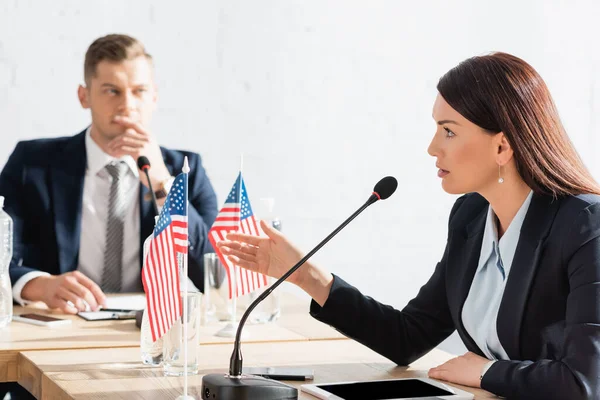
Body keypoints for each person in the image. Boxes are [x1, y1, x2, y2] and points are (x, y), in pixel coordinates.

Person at [217, 52, 600, 399]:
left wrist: (487, 372)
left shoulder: (585, 227)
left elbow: (585, 381)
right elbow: (409, 337)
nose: (433, 147)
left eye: (448, 130)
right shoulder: (470, 217)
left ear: (501, 147)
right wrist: (307, 277)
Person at [0, 34, 218, 313]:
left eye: (139, 91)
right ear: (84, 96)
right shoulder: (31, 164)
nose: (127, 105)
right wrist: (41, 285)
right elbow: (2, 256)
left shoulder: (186, 169)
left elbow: (213, 272)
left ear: (154, 97)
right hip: (61, 321)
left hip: (146, 330)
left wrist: (164, 185)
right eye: (112, 91)